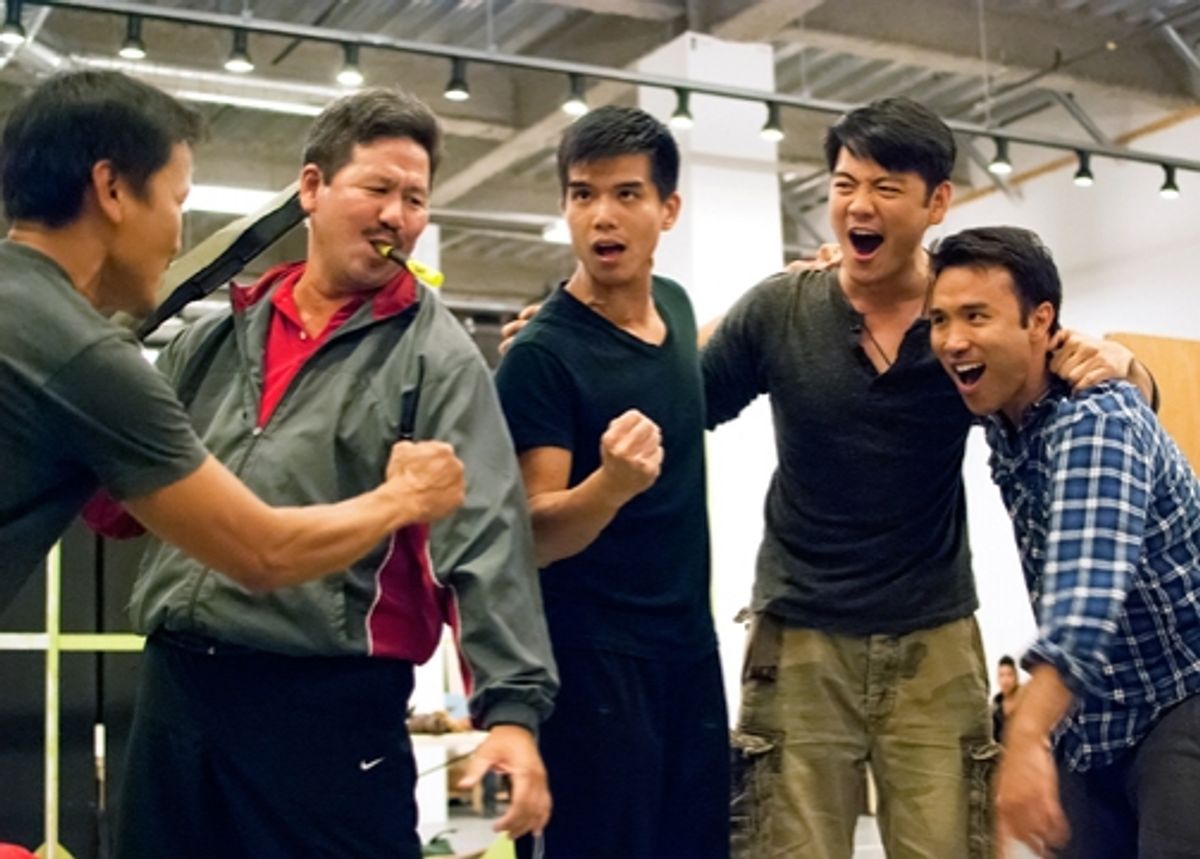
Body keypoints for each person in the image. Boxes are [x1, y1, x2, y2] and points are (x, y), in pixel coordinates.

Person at [96, 87, 557, 859]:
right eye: (377, 188)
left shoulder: (436, 357)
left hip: (328, 709)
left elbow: (485, 540)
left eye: (415, 198)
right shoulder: (215, 334)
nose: (397, 216)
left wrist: (510, 716)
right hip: (179, 691)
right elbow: (117, 507)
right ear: (311, 188)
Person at [699, 98, 1155, 859]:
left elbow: (1069, 375)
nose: (858, 205)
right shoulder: (780, 309)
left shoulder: (961, 323)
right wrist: (589, 344)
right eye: (845, 184)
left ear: (936, 201)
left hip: (935, 637)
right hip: (801, 633)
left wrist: (1130, 365)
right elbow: (681, 404)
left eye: (884, 186)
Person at [0, 70, 465, 609]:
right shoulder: (87, 361)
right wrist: (404, 497)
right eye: (177, 202)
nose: (179, 235)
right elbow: (264, 554)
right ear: (112, 190)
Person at [494, 106, 729, 859]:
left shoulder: (678, 308)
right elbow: (533, 534)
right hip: (591, 663)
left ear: (668, 209)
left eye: (627, 194)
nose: (602, 215)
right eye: (582, 193)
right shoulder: (541, 354)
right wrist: (610, 485)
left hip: (689, 652)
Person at [928, 225, 1200, 859]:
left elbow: (1086, 588)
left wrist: (1023, 739)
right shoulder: (1006, 414)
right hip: (1096, 717)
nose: (952, 339)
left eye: (976, 316)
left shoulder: (1094, 418)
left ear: (1040, 320)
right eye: (939, 319)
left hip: (1184, 692)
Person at [992, 655, 1021, 743]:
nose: (1005, 680)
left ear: (1016, 677)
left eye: (1009, 675)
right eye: (1001, 675)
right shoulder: (994, 709)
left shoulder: (1026, 703)